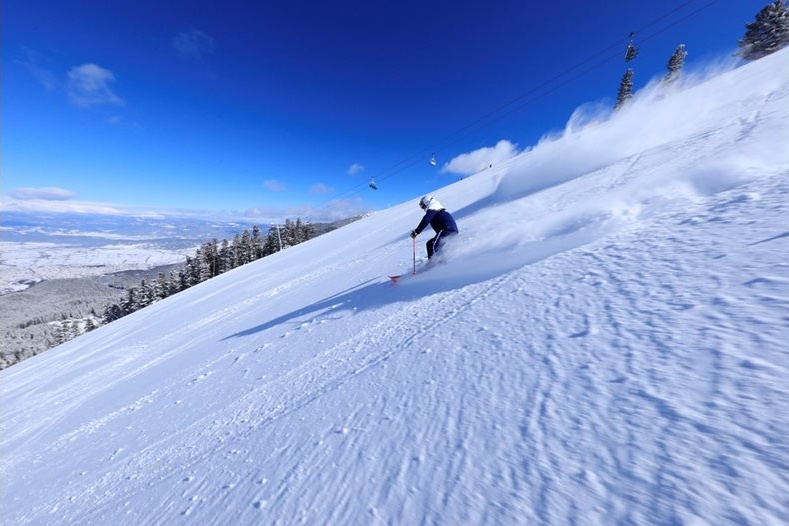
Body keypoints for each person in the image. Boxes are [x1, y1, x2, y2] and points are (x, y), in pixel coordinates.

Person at [410, 195, 459, 260]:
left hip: (446, 230)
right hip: (449, 230)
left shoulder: (433, 209)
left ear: (427, 202)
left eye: (423, 205)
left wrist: (416, 231)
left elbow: (426, 220)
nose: (423, 207)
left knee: (435, 246)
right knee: (430, 244)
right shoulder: (436, 209)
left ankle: (439, 263)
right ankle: (431, 262)